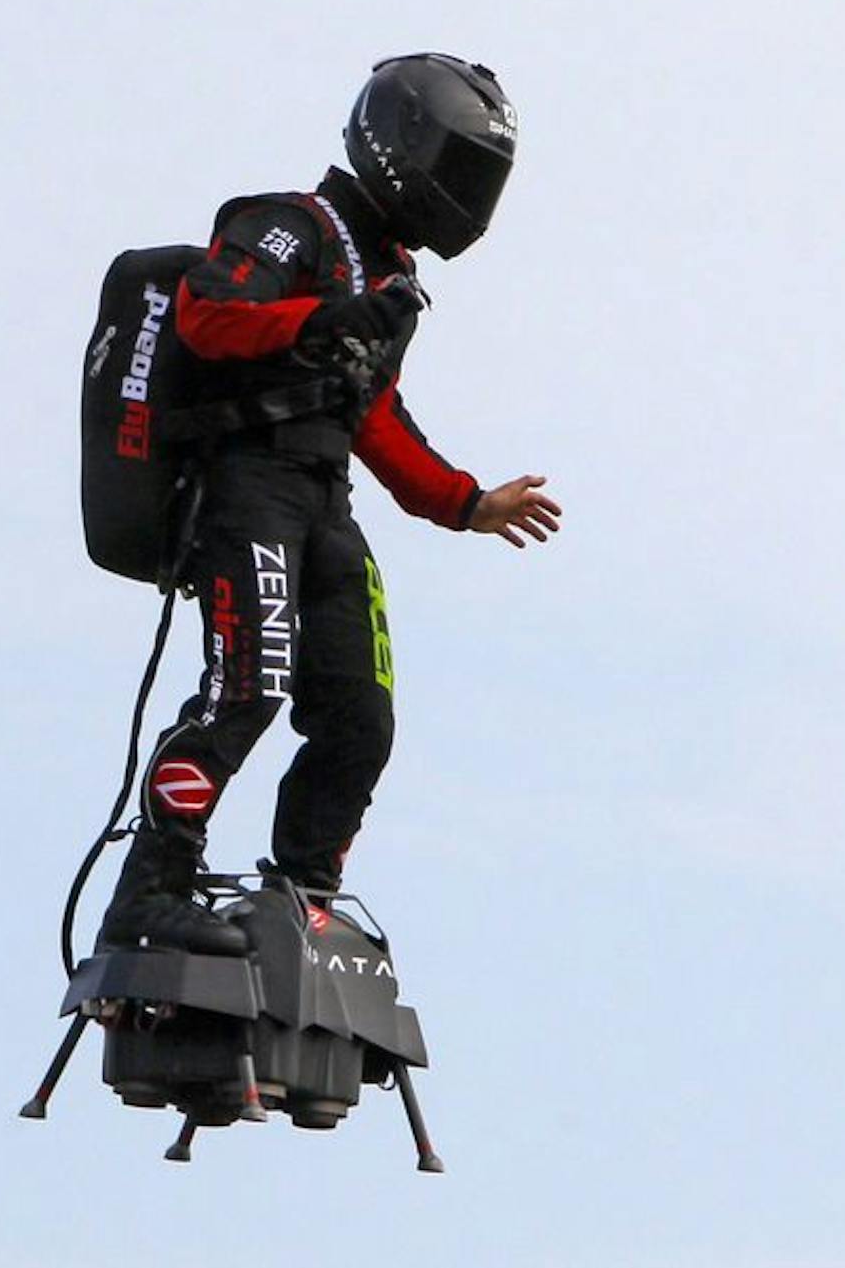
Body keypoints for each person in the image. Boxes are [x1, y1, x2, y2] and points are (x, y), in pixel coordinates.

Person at [98, 54, 560, 955]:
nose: (469, 197)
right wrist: (322, 320)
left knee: (360, 714)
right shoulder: (291, 226)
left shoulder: (387, 279)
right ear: (402, 147)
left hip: (322, 501)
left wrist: (466, 502)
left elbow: (371, 414)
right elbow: (208, 313)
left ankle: (302, 899)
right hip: (245, 491)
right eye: (461, 169)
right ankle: (149, 892)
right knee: (248, 688)